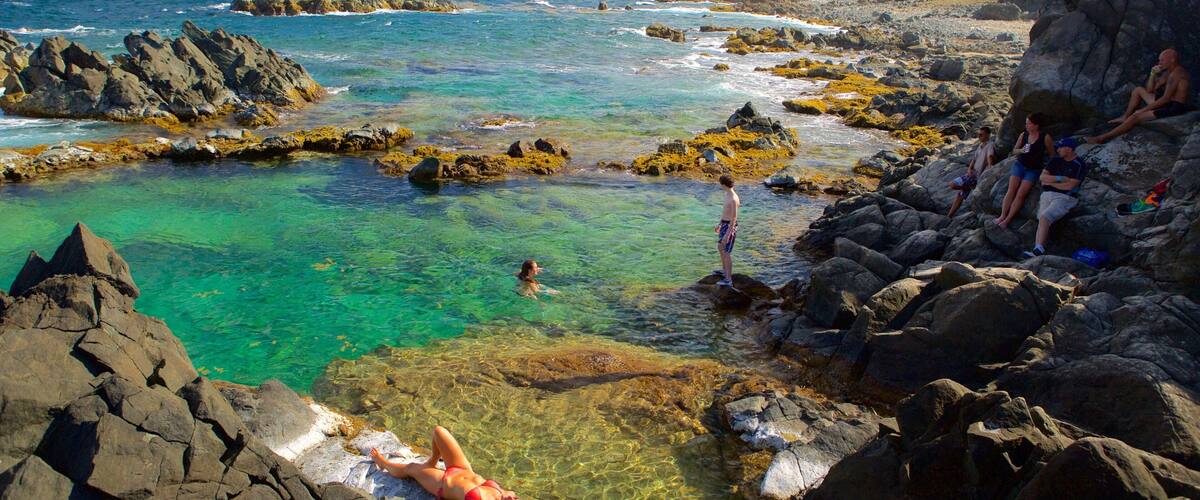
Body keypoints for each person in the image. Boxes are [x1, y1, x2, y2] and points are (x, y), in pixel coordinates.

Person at [370, 426, 518, 500]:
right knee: (439, 431)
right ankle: (432, 460)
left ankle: (384, 464)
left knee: (411, 468)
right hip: (463, 469)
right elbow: (509, 494)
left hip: (443, 484)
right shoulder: (504, 496)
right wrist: (506, 494)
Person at [1089, 49, 1193, 144]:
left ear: (1172, 60)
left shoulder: (1177, 73)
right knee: (1138, 90)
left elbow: (1165, 99)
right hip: (1165, 102)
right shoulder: (1167, 72)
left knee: (1135, 117)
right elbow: (1150, 90)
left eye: (1162, 60)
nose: (1159, 63)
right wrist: (1153, 74)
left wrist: (1143, 110)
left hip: (1173, 107)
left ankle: (1102, 138)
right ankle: (1125, 116)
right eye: (1159, 60)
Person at [1024, 137, 1088, 257]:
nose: (1057, 150)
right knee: (1042, 220)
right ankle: (1038, 248)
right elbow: (1042, 178)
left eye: (1060, 147)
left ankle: (1038, 249)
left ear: (1069, 149)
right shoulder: (1055, 161)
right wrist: (1060, 179)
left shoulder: (1079, 164)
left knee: (1045, 217)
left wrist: (1050, 183)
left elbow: (1071, 185)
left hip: (1065, 197)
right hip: (1046, 195)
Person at [995, 113, 1054, 229]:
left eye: (1029, 123)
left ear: (1036, 125)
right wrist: (1021, 150)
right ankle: (1002, 216)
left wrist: (1049, 170)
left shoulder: (1045, 137)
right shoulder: (1024, 135)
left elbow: (1052, 155)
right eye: (1026, 123)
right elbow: (1014, 151)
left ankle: (1007, 220)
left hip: (1033, 169)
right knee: (1011, 190)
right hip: (1020, 165)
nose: (1026, 125)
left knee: (1021, 195)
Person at [947, 126, 995, 218]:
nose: (979, 136)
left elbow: (990, 157)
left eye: (981, 135)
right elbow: (973, 160)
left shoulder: (990, 145)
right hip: (972, 174)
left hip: (976, 177)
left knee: (952, 184)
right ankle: (949, 216)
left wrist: (989, 168)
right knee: (960, 195)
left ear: (988, 135)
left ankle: (971, 186)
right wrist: (969, 169)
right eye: (978, 134)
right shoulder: (979, 146)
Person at [714, 174, 740, 287]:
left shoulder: (734, 198)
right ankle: (724, 271)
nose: (720, 186)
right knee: (720, 247)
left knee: (726, 252)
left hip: (730, 227)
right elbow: (725, 212)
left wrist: (727, 235)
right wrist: (719, 224)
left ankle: (728, 279)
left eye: (721, 184)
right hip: (724, 224)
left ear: (724, 185)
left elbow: (734, 218)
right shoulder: (727, 194)